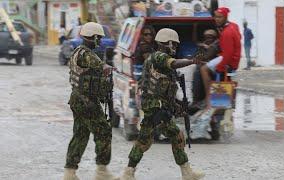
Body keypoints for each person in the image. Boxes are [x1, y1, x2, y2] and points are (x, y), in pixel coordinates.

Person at [119, 28, 205, 180]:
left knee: (148, 139)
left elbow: (164, 90)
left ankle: (129, 172)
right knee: (168, 137)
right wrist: (191, 61)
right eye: (174, 44)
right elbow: (174, 63)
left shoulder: (160, 62)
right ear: (168, 42)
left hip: (158, 106)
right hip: (155, 107)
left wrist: (177, 107)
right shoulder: (159, 57)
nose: (175, 48)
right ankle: (186, 173)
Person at [63, 22, 117, 180]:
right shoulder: (86, 53)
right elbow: (103, 67)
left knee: (80, 135)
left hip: (78, 99)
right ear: (92, 37)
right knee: (104, 132)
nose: (100, 42)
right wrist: (108, 67)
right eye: (98, 38)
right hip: (87, 101)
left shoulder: (78, 51)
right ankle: (102, 172)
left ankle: (69, 173)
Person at [200, 7, 241, 109]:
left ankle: (209, 99)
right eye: (216, 17)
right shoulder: (233, 26)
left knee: (203, 69)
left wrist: (220, 67)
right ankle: (226, 102)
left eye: (220, 17)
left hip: (229, 61)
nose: (217, 19)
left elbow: (228, 54)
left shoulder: (227, 33)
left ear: (225, 17)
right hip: (234, 59)